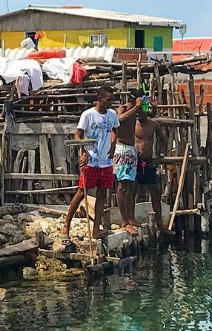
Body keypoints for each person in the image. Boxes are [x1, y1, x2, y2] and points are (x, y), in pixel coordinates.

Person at [61, 87, 119, 242]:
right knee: (82, 192)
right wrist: (84, 151)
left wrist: (113, 145)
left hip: (106, 162)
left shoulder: (112, 114)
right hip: (91, 161)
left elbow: (115, 129)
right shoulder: (88, 115)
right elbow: (78, 135)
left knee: (102, 194)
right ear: (99, 99)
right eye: (108, 99)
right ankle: (66, 225)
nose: (111, 102)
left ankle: (96, 229)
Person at [135, 102, 174, 236]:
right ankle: (130, 221)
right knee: (131, 192)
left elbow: (164, 140)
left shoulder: (153, 124)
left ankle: (160, 224)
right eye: (137, 112)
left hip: (149, 162)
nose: (138, 115)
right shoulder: (132, 124)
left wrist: (160, 157)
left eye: (141, 112)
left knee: (155, 193)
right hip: (135, 161)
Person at [113, 92, 143, 233]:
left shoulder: (137, 111)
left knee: (132, 185)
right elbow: (119, 119)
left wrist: (149, 106)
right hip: (122, 149)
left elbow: (150, 115)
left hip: (131, 150)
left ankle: (131, 217)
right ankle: (124, 221)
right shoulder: (122, 109)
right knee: (122, 186)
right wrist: (136, 107)